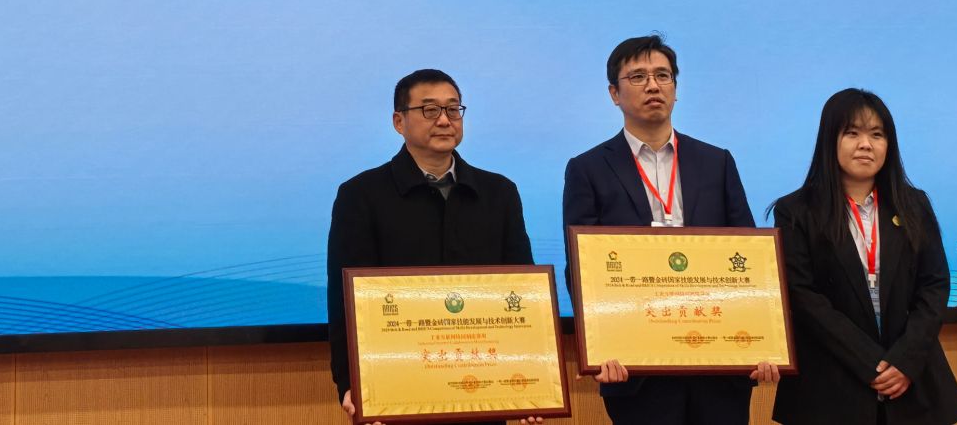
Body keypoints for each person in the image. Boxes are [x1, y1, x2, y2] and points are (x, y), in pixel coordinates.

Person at [563, 35, 779, 425]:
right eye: (638, 77)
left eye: (663, 75)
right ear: (614, 94)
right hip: (635, 368)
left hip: (718, 364)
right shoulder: (588, 169)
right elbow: (580, 270)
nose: (653, 85)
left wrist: (761, 337)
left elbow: (748, 258)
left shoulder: (717, 162)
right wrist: (599, 345)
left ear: (676, 89)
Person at [327, 68, 542, 425]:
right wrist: (351, 383)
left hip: (485, 385)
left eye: (453, 109)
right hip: (398, 386)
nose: (444, 120)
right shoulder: (361, 195)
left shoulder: (499, 193)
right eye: (429, 110)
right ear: (399, 121)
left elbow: (522, 292)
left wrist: (533, 381)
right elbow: (343, 300)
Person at [768, 88, 957, 425]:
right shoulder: (796, 210)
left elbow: (934, 285)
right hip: (829, 384)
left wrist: (904, 361)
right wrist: (871, 363)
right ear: (829, 140)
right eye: (852, 133)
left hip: (910, 380)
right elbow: (803, 297)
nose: (866, 144)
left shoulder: (914, 204)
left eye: (877, 134)